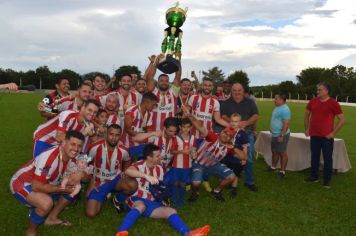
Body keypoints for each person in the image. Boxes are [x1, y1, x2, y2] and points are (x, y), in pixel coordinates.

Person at [115, 143, 210, 236]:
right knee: (141, 206)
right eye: (157, 156)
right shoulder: (139, 165)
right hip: (136, 198)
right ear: (149, 157)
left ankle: (188, 233)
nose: (160, 157)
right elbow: (128, 171)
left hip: (152, 200)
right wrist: (146, 176)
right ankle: (121, 232)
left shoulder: (159, 168)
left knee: (171, 211)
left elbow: (159, 188)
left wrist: (163, 199)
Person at [10, 131, 86, 236]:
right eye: (72, 144)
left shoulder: (73, 156)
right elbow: (36, 186)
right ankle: (31, 231)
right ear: (64, 143)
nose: (76, 149)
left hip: (44, 182)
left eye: (79, 146)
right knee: (46, 203)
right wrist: (62, 188)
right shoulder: (50, 157)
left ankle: (51, 218)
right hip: (22, 183)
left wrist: (81, 173)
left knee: (74, 186)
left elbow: (87, 176)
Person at [182, 106, 237, 202]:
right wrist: (190, 116)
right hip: (199, 163)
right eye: (224, 132)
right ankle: (195, 192)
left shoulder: (229, 147)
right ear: (221, 131)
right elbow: (199, 126)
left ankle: (216, 191)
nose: (225, 135)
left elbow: (242, 157)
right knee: (195, 183)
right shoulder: (213, 137)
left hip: (213, 165)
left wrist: (234, 148)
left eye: (228, 135)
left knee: (232, 177)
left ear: (230, 139)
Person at [86, 124, 137, 218]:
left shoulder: (124, 150)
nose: (113, 138)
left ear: (120, 136)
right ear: (106, 134)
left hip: (115, 180)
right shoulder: (94, 147)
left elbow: (128, 160)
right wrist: (91, 182)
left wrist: (124, 171)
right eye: (111, 134)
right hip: (99, 182)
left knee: (133, 185)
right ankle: (104, 194)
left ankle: (117, 199)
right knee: (91, 213)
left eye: (117, 135)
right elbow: (86, 163)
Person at [304, 82, 345, 188]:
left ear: (327, 91)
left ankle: (327, 180)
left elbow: (342, 120)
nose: (317, 91)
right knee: (314, 157)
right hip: (314, 135)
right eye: (317, 89)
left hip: (327, 137)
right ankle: (314, 177)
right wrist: (307, 128)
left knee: (327, 159)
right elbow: (306, 114)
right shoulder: (313, 101)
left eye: (320, 90)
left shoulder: (333, 103)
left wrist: (333, 133)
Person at [219, 83, 259, 192]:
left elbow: (256, 115)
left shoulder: (250, 102)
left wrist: (245, 123)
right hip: (231, 135)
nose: (237, 92)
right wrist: (233, 124)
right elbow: (223, 116)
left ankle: (249, 182)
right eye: (234, 90)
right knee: (228, 158)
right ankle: (228, 179)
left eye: (239, 90)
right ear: (231, 91)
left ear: (243, 91)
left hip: (247, 134)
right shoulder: (226, 103)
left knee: (248, 158)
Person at [33, 99, 100, 158]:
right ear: (83, 108)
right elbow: (59, 138)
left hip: (60, 144)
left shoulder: (89, 125)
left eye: (95, 112)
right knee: (41, 165)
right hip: (44, 138)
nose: (92, 114)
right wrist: (83, 134)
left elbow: (84, 147)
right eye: (90, 110)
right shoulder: (69, 115)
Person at [144, 54, 181, 131]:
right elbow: (150, 77)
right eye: (161, 81)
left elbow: (177, 77)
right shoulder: (153, 92)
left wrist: (178, 61)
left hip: (170, 131)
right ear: (157, 82)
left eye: (166, 81)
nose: (164, 82)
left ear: (169, 83)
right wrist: (155, 64)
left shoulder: (173, 92)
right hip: (153, 131)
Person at [220, 113, 248, 197]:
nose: (233, 123)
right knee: (225, 169)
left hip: (237, 156)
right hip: (227, 155)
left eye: (236, 121)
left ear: (240, 122)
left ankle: (234, 188)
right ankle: (224, 184)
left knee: (235, 173)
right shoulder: (227, 130)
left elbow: (245, 147)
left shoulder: (242, 133)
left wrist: (244, 159)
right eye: (232, 121)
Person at [171, 118, 197, 207]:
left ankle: (181, 200)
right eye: (184, 127)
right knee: (175, 182)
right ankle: (174, 200)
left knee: (183, 183)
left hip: (187, 165)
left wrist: (193, 154)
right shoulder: (176, 138)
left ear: (191, 127)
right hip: (177, 165)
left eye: (188, 127)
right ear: (180, 127)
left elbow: (194, 148)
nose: (186, 129)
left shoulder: (193, 137)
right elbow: (172, 151)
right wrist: (182, 152)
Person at [268, 94, 291, 178]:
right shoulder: (278, 107)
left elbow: (286, 123)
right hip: (275, 134)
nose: (274, 100)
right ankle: (273, 167)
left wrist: (282, 135)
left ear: (282, 100)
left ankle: (282, 171)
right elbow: (276, 119)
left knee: (282, 153)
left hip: (281, 135)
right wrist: (272, 128)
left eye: (276, 99)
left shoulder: (285, 109)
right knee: (274, 151)